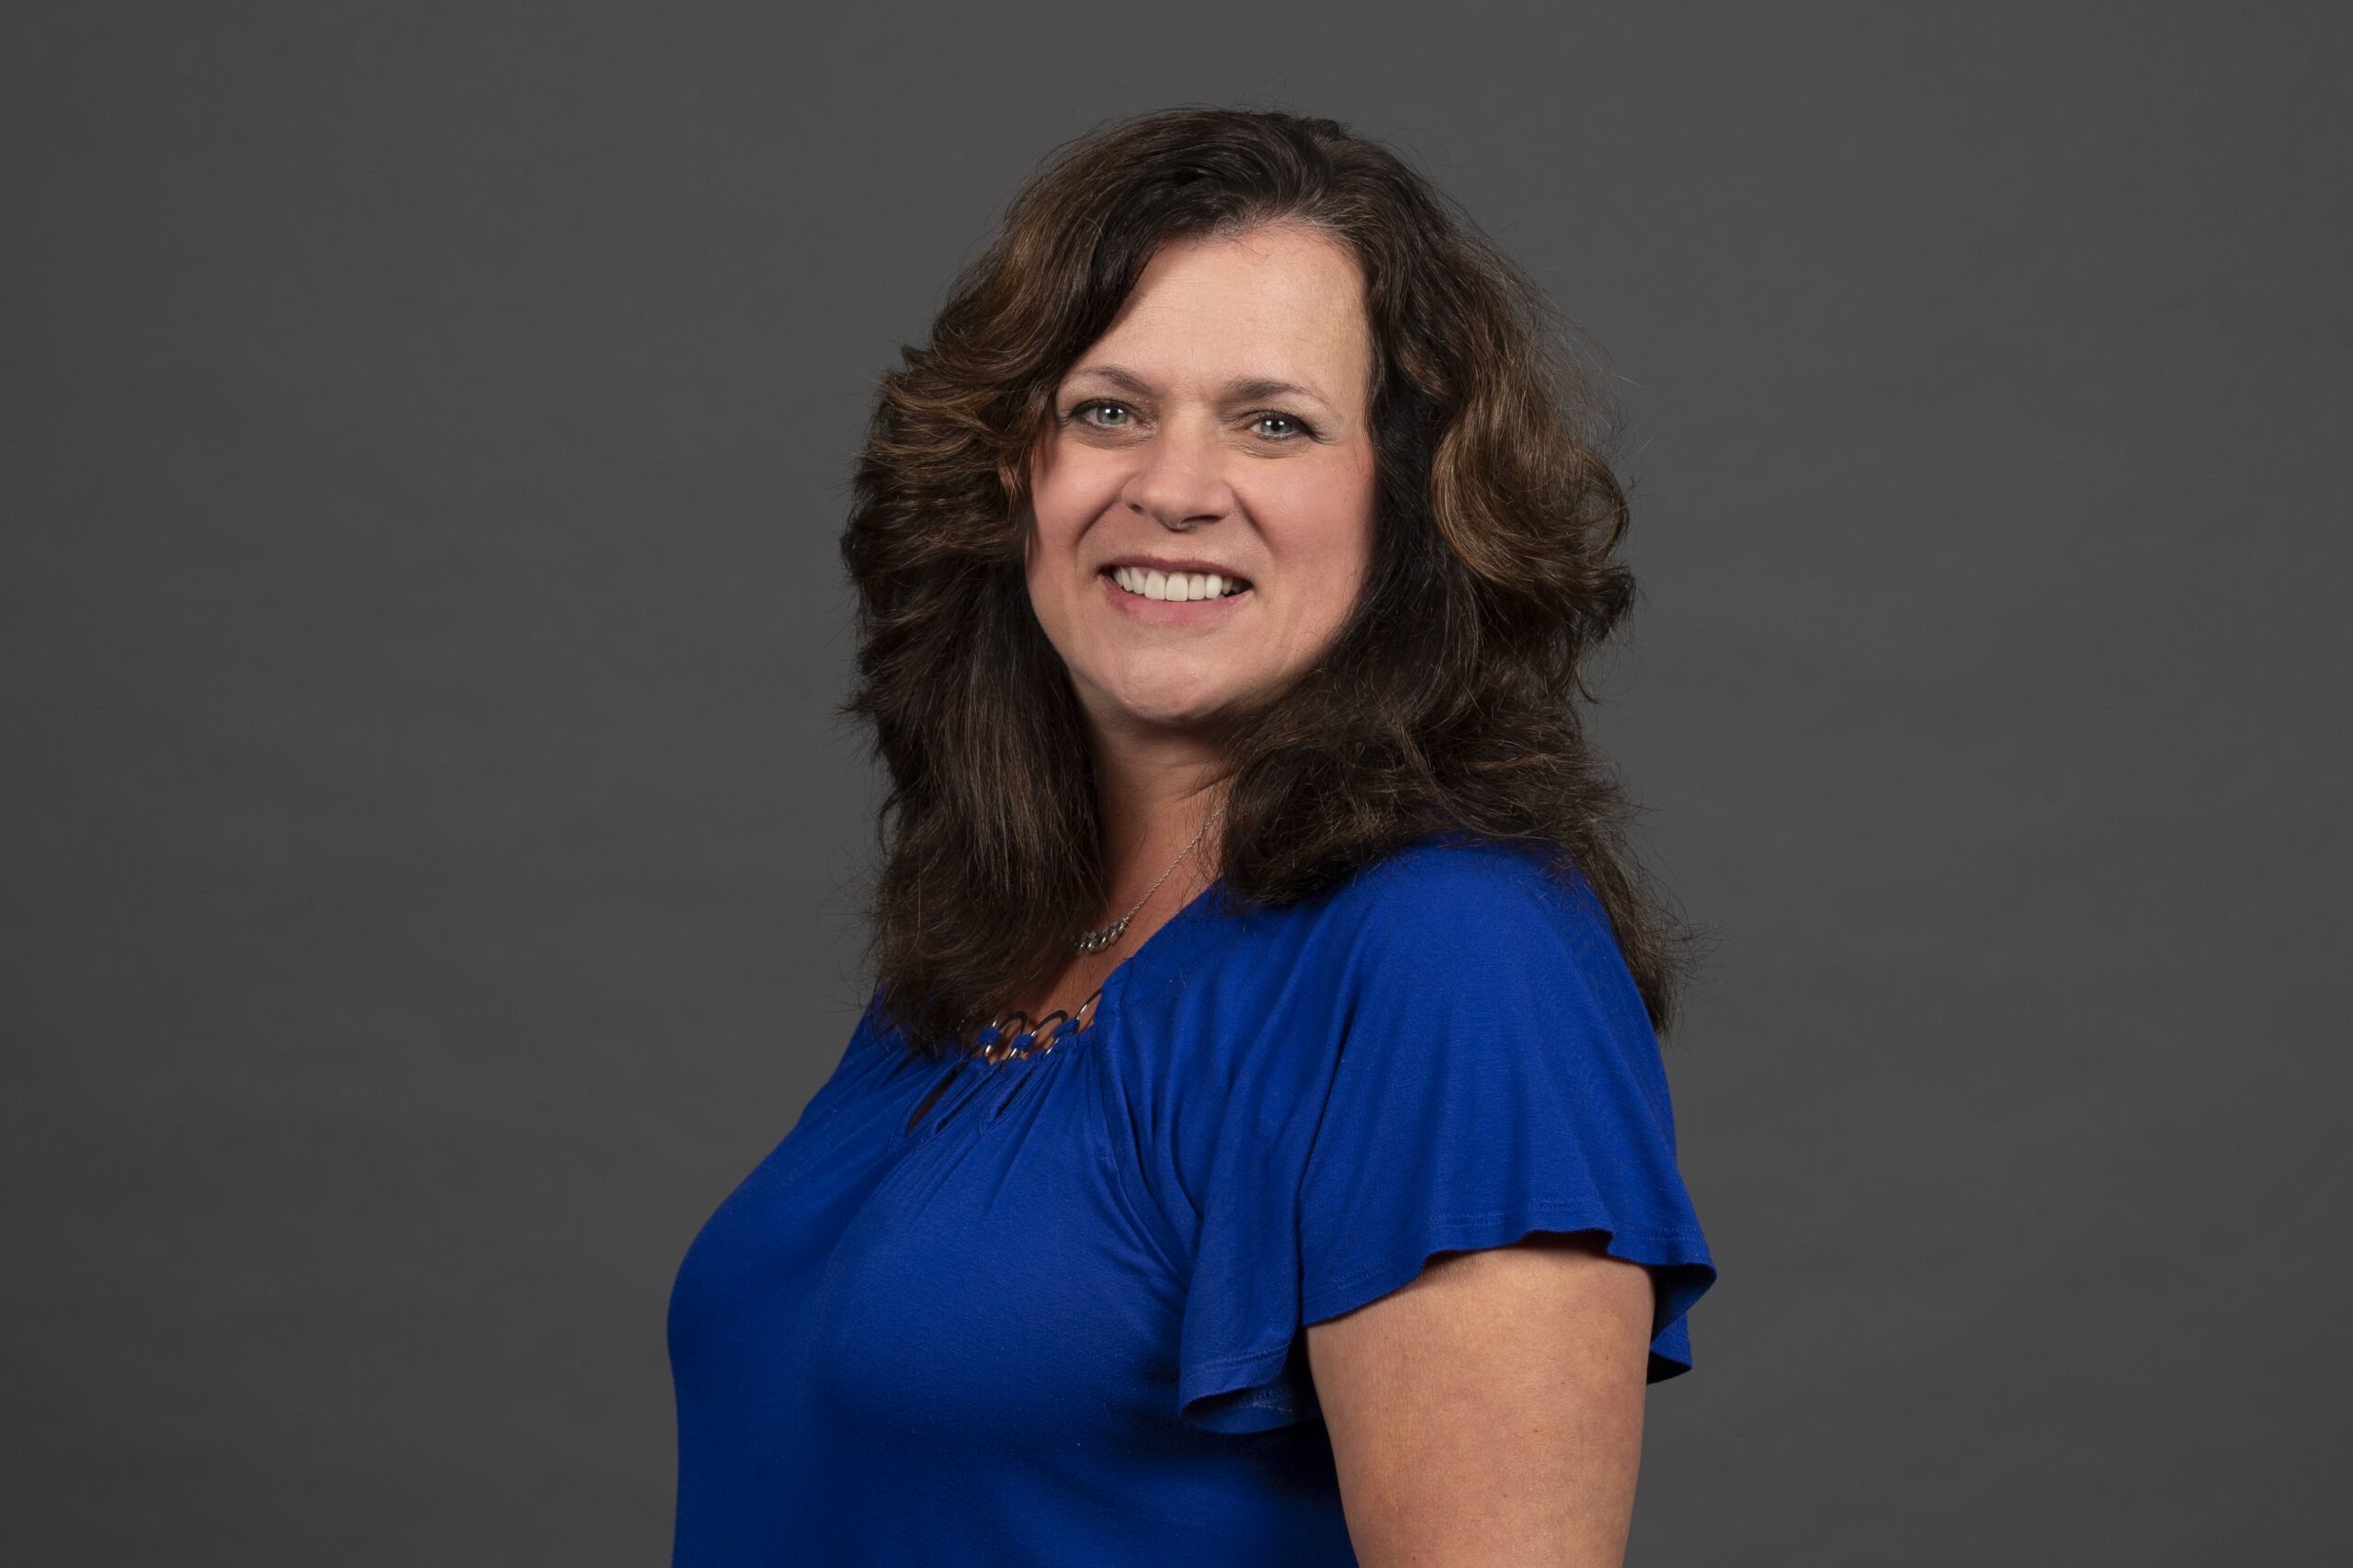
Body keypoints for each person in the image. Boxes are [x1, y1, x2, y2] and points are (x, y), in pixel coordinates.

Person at [665, 105, 1719, 1566]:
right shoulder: (1002, 942)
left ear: (1409, 503)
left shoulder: (1457, 963)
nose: (1171, 486)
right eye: (1107, 408)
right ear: (1007, 475)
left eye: (1273, 422)